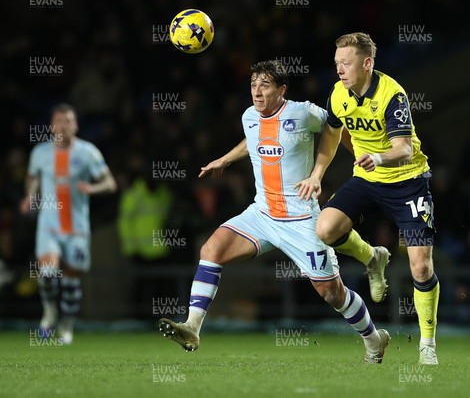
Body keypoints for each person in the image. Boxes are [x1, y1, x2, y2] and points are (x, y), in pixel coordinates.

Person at [158, 60, 390, 363]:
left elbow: (336, 128)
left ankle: (374, 339)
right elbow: (252, 141)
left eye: (264, 85)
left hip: (301, 219)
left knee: (332, 295)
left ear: (282, 90)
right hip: (262, 214)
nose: (257, 91)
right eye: (253, 84)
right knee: (211, 249)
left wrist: (348, 161)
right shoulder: (249, 116)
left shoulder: (303, 112)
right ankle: (192, 326)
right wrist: (225, 159)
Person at [295, 33, 440, 365]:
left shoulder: (393, 95)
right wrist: (317, 174)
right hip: (368, 181)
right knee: (325, 229)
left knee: (421, 266)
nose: (339, 70)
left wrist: (377, 156)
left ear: (367, 63)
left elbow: (403, 148)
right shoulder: (338, 95)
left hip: (409, 183)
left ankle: (427, 345)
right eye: (336, 64)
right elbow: (333, 134)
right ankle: (373, 257)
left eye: (345, 63)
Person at [20, 103, 117, 344]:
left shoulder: (88, 153)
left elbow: (110, 183)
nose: (64, 125)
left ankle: (67, 326)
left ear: (76, 125)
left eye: (69, 121)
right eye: (59, 121)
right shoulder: (40, 153)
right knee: (48, 272)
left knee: (72, 281)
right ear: (52, 126)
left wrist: (92, 188)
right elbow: (32, 178)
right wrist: (30, 195)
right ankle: (50, 311)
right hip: (49, 225)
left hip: (77, 228)